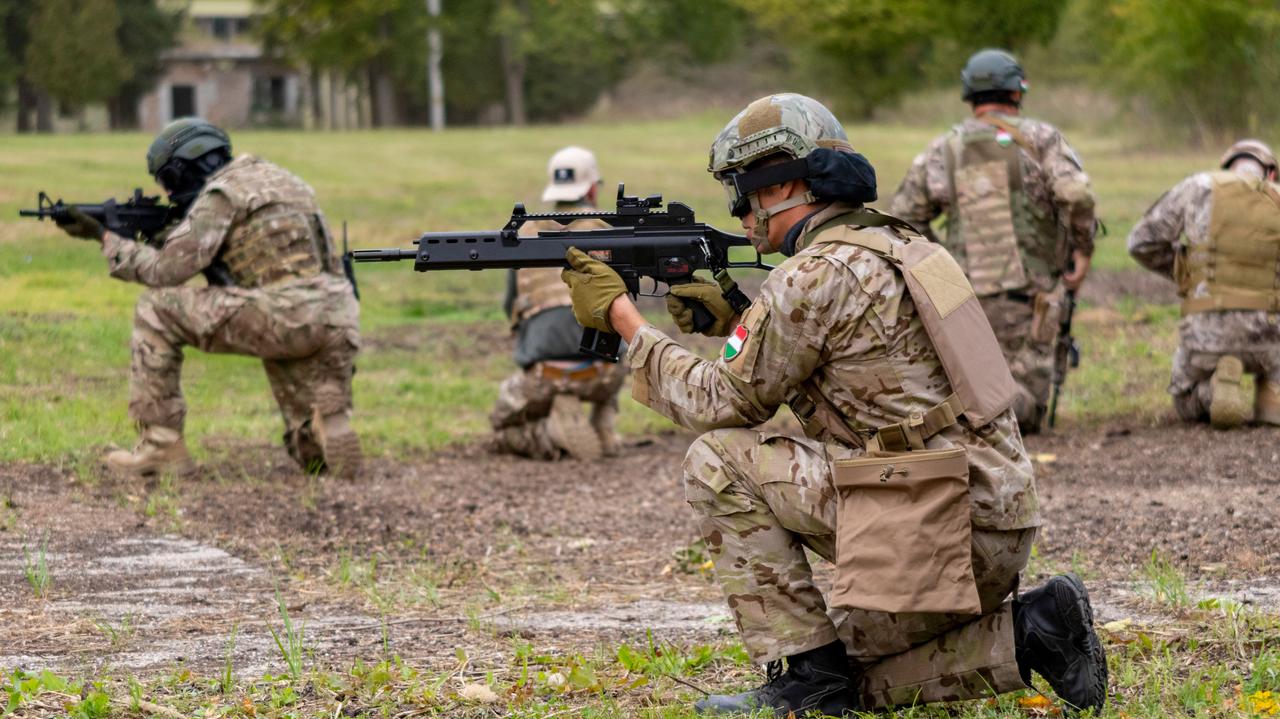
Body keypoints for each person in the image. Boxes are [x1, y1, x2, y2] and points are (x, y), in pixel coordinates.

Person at [560, 93, 1106, 716]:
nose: (738, 209)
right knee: (853, 677)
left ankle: (807, 678)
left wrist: (623, 321)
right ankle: (1035, 631)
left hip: (937, 523)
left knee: (718, 460)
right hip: (992, 516)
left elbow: (722, 402)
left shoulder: (811, 276)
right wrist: (741, 319)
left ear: (786, 182)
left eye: (743, 188)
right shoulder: (908, 245)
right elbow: (867, 371)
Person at [53, 118, 362, 478]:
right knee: (308, 456)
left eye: (169, 180)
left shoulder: (222, 194)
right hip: (337, 317)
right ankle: (325, 426)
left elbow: (166, 272)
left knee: (155, 309)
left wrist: (108, 240)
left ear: (187, 165)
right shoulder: (288, 182)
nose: (169, 193)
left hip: (283, 315)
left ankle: (161, 444)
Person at [890, 49, 1098, 433]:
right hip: (1031, 301)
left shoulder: (943, 148)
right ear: (1017, 93)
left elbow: (902, 216)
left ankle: (972, 406)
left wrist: (940, 268)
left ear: (970, 97)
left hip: (960, 301)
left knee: (976, 390)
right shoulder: (1041, 139)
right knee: (1026, 413)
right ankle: (1001, 407)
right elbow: (1077, 196)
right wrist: (1081, 248)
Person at [1128, 139, 1280, 429]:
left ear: (1225, 168)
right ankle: (1271, 391)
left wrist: (1190, 274)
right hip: (1272, 335)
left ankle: (1210, 391)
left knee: (1185, 399)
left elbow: (1141, 242)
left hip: (1208, 333)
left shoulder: (1198, 186)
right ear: (1271, 173)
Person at [489, 146, 626, 460]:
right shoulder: (609, 232)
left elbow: (510, 307)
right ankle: (603, 423)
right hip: (604, 374)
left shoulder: (524, 235)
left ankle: (549, 433)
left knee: (501, 427)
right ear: (591, 188)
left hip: (544, 375)